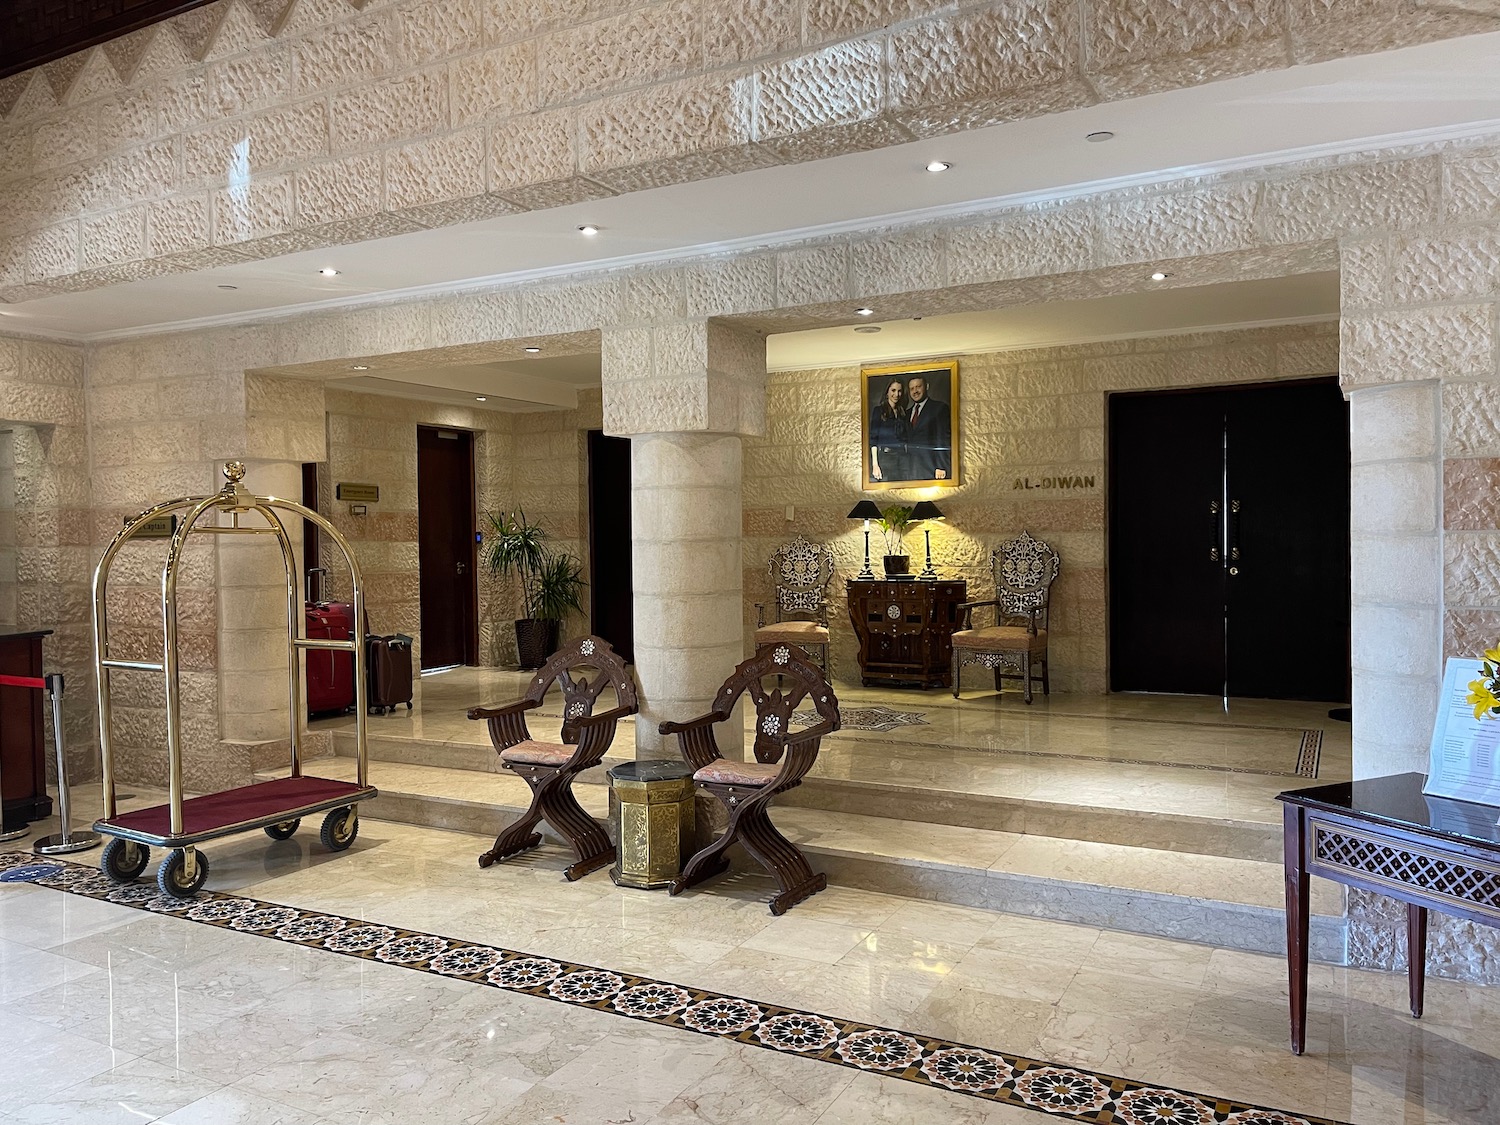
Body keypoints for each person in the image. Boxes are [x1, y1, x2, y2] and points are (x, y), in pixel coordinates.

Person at [904, 374, 951, 480]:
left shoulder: (939, 408)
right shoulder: (906, 414)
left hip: (932, 468)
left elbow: (942, 438)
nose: (915, 391)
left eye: (918, 387)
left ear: (927, 386)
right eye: (912, 388)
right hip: (910, 470)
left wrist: (941, 466)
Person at [868, 378, 909, 483]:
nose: (896, 394)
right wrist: (875, 464)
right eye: (893, 390)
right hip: (886, 458)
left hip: (902, 458)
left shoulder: (903, 413)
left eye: (899, 391)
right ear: (887, 392)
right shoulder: (879, 411)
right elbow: (873, 439)